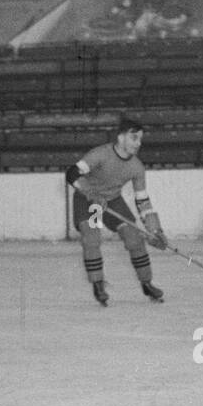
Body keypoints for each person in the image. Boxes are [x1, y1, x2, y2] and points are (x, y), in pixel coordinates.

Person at [65, 116, 167, 307]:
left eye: (140, 139)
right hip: (89, 201)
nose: (138, 143)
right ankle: (98, 284)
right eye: (134, 138)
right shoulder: (100, 154)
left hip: (113, 202)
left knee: (134, 238)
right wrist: (91, 194)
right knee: (92, 239)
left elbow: (143, 201)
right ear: (121, 138)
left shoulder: (137, 167)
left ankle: (147, 283)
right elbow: (72, 173)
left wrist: (155, 230)